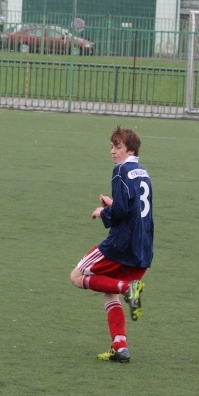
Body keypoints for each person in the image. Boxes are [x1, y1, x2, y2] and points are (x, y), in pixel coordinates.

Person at [69, 126, 153, 363]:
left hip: (120, 244)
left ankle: (128, 288)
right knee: (108, 291)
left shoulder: (120, 171)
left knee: (77, 277)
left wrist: (105, 211)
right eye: (112, 147)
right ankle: (120, 347)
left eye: (118, 147)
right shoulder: (142, 172)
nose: (113, 152)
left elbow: (122, 211)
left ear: (131, 150)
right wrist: (114, 203)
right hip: (142, 247)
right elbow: (133, 207)